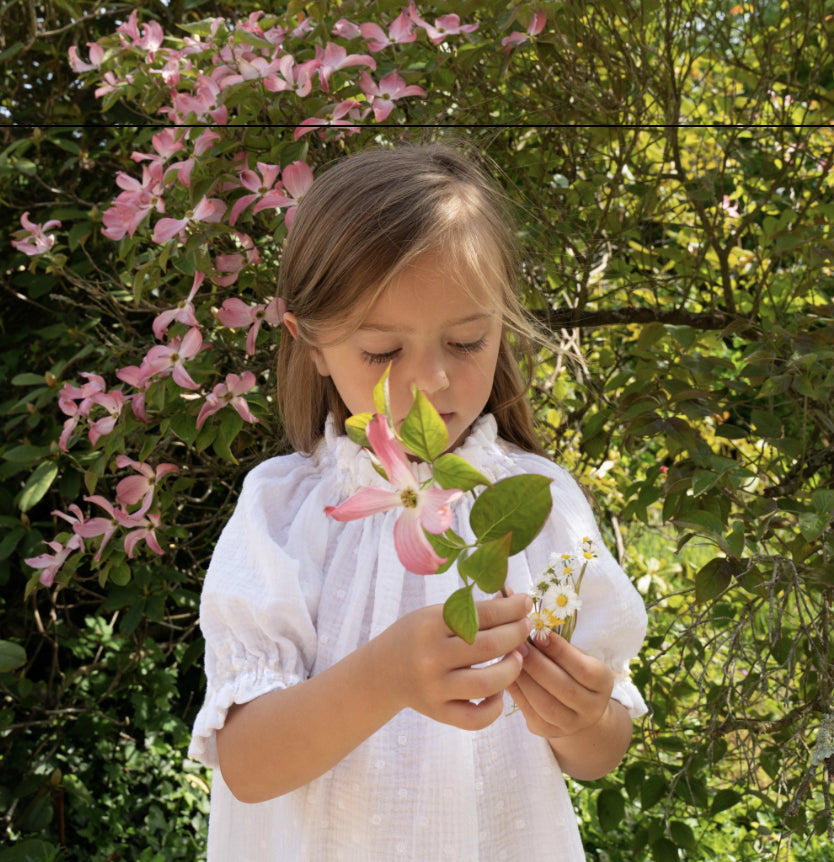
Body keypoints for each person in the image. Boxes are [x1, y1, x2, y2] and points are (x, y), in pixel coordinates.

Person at [188, 143, 648, 861]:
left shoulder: (536, 502)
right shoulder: (283, 514)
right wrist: (387, 676)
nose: (431, 380)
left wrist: (580, 715)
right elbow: (246, 763)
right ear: (309, 343)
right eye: (381, 351)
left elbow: (598, 752)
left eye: (467, 340)